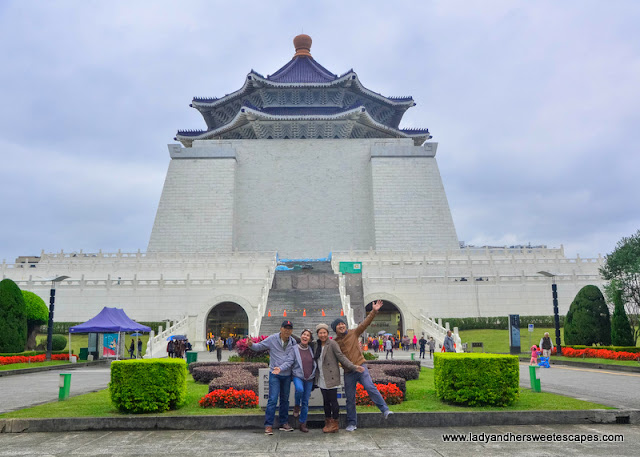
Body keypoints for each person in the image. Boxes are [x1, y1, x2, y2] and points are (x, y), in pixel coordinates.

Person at [332, 300, 393, 432]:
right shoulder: (334, 342)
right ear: (335, 329)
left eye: (342, 324)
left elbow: (365, 324)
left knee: (370, 387)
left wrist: (374, 311)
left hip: (361, 367)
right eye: (338, 325)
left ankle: (385, 410)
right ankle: (352, 423)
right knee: (350, 398)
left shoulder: (353, 333)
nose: (341, 326)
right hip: (349, 372)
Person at [247, 320, 297, 435]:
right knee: (273, 399)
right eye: (285, 328)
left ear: (292, 331)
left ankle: (284, 423)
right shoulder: (272, 339)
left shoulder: (293, 342)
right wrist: (251, 345)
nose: (287, 330)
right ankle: (268, 425)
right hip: (274, 375)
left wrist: (281, 368)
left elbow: (291, 360)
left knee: (285, 400)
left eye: (289, 328)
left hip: (286, 375)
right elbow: (259, 346)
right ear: (281, 328)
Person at [313, 323, 363, 433]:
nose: (322, 335)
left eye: (324, 332)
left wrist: (353, 367)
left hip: (331, 377)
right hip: (321, 377)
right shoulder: (316, 345)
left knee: (333, 401)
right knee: (326, 401)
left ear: (327, 333)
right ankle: (328, 421)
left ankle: (335, 423)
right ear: (317, 334)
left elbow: (341, 357)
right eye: (320, 333)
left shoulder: (332, 343)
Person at [274, 329, 316, 433]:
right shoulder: (294, 349)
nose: (305, 337)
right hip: (298, 376)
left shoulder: (311, 349)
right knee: (299, 389)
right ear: (301, 336)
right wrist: (280, 368)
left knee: (305, 402)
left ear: (310, 339)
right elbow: (289, 362)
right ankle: (297, 405)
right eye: (304, 334)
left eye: (307, 335)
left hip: (309, 377)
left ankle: (303, 423)